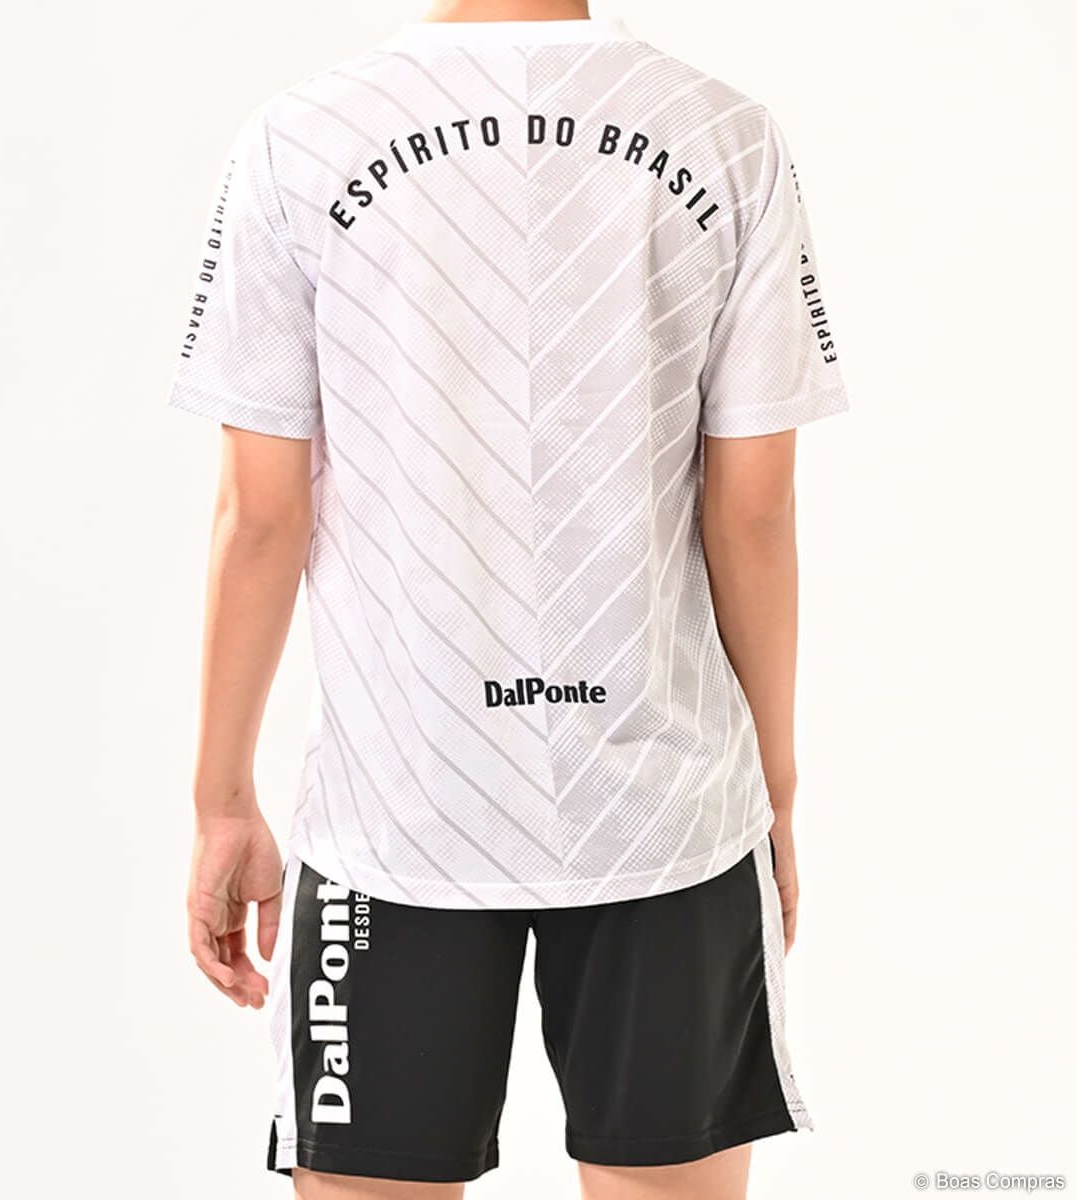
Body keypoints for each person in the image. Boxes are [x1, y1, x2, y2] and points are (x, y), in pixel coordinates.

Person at [166, 0, 849, 1195]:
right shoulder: (726, 134)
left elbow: (262, 515)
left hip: (398, 806)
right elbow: (753, 510)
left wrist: (223, 800)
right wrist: (773, 786)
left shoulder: (300, 138)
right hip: (662, 812)